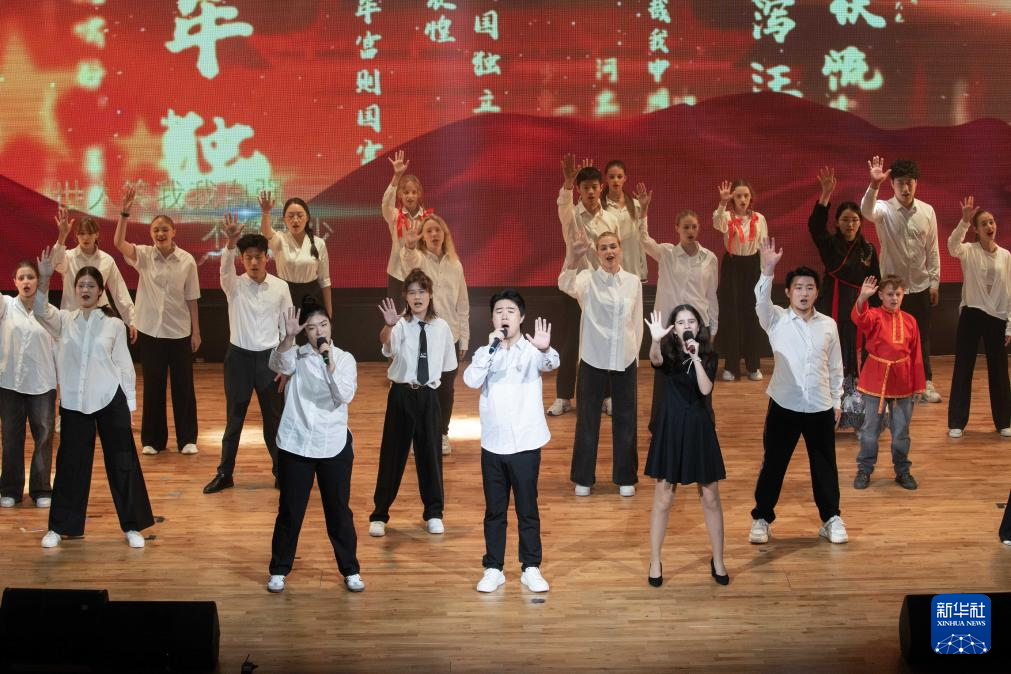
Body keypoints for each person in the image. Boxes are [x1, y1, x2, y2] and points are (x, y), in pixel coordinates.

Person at [33, 248, 154, 548]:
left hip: (110, 400)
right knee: (70, 465)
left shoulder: (113, 324)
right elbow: (40, 311)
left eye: (91, 286)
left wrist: (130, 406)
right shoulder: (64, 320)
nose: (85, 290)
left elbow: (124, 365)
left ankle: (132, 526)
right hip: (75, 403)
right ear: (74, 290)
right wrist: (44, 280)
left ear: (100, 291)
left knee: (122, 463)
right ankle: (60, 527)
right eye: (81, 285)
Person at [749, 238, 847, 546]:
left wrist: (837, 401)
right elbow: (760, 302)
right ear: (789, 292)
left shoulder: (828, 325)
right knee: (774, 464)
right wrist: (768, 269)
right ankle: (762, 518)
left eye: (809, 288)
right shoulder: (775, 318)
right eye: (798, 288)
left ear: (817, 292)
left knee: (825, 466)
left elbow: (836, 367)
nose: (804, 293)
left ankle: (831, 518)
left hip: (820, 405)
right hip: (784, 403)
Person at [266, 299, 364, 594]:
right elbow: (277, 364)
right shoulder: (295, 356)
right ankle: (279, 569)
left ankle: (351, 570)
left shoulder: (344, 359)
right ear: (304, 332)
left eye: (323, 325)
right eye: (311, 327)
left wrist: (328, 365)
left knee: (339, 512)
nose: (319, 331)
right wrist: (287, 337)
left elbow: (343, 396)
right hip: (296, 443)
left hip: (332, 442)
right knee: (290, 511)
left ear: (330, 326)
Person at [463, 290, 557, 594]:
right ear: (492, 318)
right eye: (499, 311)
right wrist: (491, 349)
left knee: (527, 509)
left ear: (521, 317)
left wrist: (544, 348)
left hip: (526, 444)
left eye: (511, 311)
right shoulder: (485, 352)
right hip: (493, 444)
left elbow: (551, 362)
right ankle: (493, 568)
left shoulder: (531, 349)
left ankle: (531, 567)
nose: (504, 315)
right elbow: (470, 380)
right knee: (495, 510)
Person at [112, 184, 202, 456]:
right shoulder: (143, 255)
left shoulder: (187, 261)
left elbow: (192, 298)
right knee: (153, 386)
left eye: (164, 229)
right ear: (151, 234)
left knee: (183, 387)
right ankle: (152, 440)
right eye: (155, 230)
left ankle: (187, 439)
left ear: (174, 232)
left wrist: (196, 332)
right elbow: (118, 243)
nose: (160, 234)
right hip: (150, 331)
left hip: (179, 332)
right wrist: (125, 213)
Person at [204, 217, 292, 494]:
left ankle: (282, 473)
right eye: (248, 257)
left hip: (270, 360)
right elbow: (224, 268)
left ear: (267, 258)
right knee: (234, 420)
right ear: (241, 259)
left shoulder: (280, 287)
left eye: (258, 257)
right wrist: (230, 243)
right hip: (239, 359)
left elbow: (288, 330)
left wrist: (286, 365)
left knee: (274, 421)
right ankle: (224, 474)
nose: (254, 262)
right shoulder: (233, 285)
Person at [643, 307, 728, 587]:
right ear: (674, 328)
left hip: (699, 427)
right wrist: (655, 340)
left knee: (710, 496)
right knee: (664, 497)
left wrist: (696, 357)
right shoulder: (666, 353)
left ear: (698, 326)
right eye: (680, 322)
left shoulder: (708, 354)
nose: (686, 325)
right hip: (671, 427)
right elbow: (655, 360)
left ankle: (718, 559)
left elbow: (705, 389)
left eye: (691, 321)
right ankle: (655, 560)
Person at [369, 269, 457, 537]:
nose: (417, 297)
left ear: (430, 295)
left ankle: (434, 513)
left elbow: (447, 369)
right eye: (412, 292)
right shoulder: (398, 325)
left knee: (430, 456)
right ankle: (380, 515)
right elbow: (387, 346)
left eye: (422, 291)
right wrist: (388, 325)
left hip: (429, 395)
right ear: (405, 297)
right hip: (401, 394)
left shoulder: (442, 328)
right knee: (392, 455)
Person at [559, 228, 642, 497]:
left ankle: (626, 477)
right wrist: (573, 258)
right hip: (593, 359)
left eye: (613, 246)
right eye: (603, 247)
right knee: (587, 420)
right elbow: (564, 283)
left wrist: (635, 358)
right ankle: (583, 478)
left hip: (624, 359)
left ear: (620, 249)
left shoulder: (633, 282)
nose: (609, 251)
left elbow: (636, 323)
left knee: (626, 420)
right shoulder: (587, 280)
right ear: (597, 253)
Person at [861, 157, 942, 403]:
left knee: (921, 338)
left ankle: (924, 383)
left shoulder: (927, 211)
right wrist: (873, 185)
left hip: (920, 285)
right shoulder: (884, 209)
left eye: (910, 183)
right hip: (891, 290)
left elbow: (932, 249)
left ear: (916, 183)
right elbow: (866, 211)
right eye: (900, 183)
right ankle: (880, 385)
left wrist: (935, 282)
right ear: (892, 185)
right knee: (884, 337)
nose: (905, 188)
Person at [637, 186, 719, 424]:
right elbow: (643, 240)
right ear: (677, 229)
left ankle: (703, 422)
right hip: (669, 328)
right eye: (686, 227)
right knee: (666, 379)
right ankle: (661, 424)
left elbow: (711, 295)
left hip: (698, 326)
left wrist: (713, 328)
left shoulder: (709, 258)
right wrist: (644, 211)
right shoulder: (667, 254)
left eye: (694, 226)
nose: (690, 231)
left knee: (699, 375)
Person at [808, 167, 880, 431]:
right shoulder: (830, 244)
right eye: (845, 220)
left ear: (860, 223)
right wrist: (826, 194)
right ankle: (829, 414)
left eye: (855, 220)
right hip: (832, 306)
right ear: (837, 222)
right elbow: (815, 226)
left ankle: (858, 416)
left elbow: (876, 281)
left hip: (859, 310)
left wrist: (876, 317)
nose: (850, 224)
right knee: (831, 357)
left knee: (857, 359)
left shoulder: (868, 250)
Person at [548, 155, 620, 417]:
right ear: (579, 189)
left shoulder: (611, 219)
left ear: (601, 188)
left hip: (603, 289)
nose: (590, 192)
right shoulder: (571, 215)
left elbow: (615, 252)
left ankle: (606, 396)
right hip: (574, 288)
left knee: (604, 342)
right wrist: (567, 183)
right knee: (570, 344)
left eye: (594, 187)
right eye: (585, 187)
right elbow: (563, 203)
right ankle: (563, 397)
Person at [401, 213, 469, 455]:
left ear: (444, 234)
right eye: (428, 230)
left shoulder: (455, 264)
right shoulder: (418, 259)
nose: (433, 234)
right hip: (421, 336)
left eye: (437, 230)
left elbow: (462, 303)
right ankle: (417, 434)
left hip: (450, 337)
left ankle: (442, 434)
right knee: (419, 387)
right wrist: (409, 247)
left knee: (445, 391)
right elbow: (407, 263)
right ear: (423, 236)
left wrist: (464, 338)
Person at [851, 275, 925, 490]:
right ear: (881, 296)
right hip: (876, 379)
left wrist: (919, 385)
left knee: (901, 431)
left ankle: (902, 471)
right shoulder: (874, 315)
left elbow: (917, 354)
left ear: (903, 295)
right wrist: (862, 298)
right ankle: (864, 469)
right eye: (890, 294)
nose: (894, 298)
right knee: (870, 430)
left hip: (903, 381)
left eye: (898, 294)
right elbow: (859, 319)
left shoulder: (910, 321)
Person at [946, 197, 1011, 438]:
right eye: (984, 223)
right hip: (972, 313)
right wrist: (964, 221)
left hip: (997, 316)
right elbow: (952, 246)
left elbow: (1010, 292)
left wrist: (1009, 325)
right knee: (963, 367)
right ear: (976, 229)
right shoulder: (968, 251)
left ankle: (1004, 421)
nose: (989, 226)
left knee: (999, 370)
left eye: (991, 222)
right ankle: (956, 422)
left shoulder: (1006, 256)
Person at [0, 260, 56, 509]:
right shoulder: (5, 306)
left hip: (42, 384)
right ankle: (10, 489)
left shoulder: (49, 312)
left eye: (30, 277)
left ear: (38, 281)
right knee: (11, 437)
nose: (26, 282)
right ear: (14, 282)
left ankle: (41, 488)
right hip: (9, 383)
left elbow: (59, 349)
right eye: (21, 277)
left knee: (43, 436)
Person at [712, 179, 768, 382]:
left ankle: (753, 365)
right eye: (738, 196)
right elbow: (717, 224)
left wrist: (765, 276)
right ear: (732, 198)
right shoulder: (727, 216)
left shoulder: (759, 218)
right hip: (733, 265)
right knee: (731, 315)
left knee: (752, 315)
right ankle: (731, 366)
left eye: (746, 195)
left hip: (753, 266)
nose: (742, 199)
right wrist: (722, 202)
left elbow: (764, 245)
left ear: (751, 197)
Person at [52, 206, 135, 337]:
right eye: (82, 233)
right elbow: (55, 264)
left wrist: (131, 320)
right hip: (72, 321)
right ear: (76, 235)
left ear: (97, 234)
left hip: (101, 321)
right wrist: (62, 236)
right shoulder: (68, 257)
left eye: (90, 233)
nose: (86, 237)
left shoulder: (107, 260)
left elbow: (119, 292)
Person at [258, 192, 334, 322]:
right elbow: (266, 233)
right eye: (291, 216)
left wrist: (329, 312)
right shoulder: (280, 239)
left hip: (311, 297)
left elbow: (325, 281)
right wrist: (266, 212)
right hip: (284, 295)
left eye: (299, 215)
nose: (295, 220)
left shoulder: (319, 243)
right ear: (284, 219)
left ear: (307, 217)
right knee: (286, 332)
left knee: (311, 332)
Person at [382, 150, 432, 304]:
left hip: (421, 273)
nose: (410, 196)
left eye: (413, 192)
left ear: (419, 194)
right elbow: (386, 204)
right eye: (406, 192)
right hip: (397, 273)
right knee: (395, 316)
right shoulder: (394, 215)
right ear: (400, 195)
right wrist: (396, 177)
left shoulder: (428, 219)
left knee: (421, 313)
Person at [602, 160, 649, 282]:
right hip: (609, 270)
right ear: (606, 178)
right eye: (612, 177)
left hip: (632, 268)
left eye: (619, 176)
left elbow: (642, 239)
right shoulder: (600, 207)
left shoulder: (636, 205)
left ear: (625, 178)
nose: (615, 180)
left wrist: (643, 269)